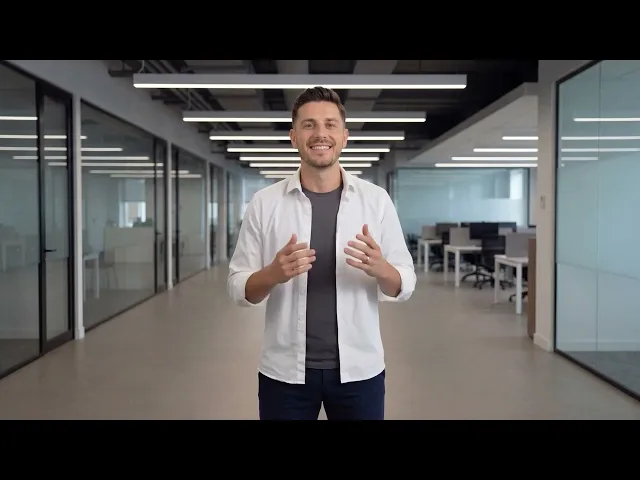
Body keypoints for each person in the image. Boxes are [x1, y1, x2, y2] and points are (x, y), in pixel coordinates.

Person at [227, 86, 416, 420]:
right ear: (293, 137)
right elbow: (238, 288)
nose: (320, 133)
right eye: (309, 124)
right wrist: (272, 274)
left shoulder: (376, 201)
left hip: (360, 371)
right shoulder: (265, 203)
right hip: (284, 373)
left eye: (330, 124)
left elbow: (404, 283)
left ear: (344, 137)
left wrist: (382, 268)